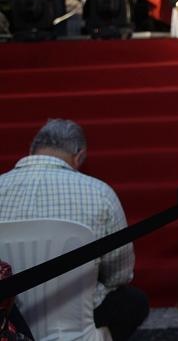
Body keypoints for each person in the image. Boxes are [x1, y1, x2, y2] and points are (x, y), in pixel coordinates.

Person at [0, 119, 149, 340]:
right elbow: (119, 274)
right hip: (76, 319)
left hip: (9, 315)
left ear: (32, 150)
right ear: (79, 156)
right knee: (134, 301)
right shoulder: (100, 194)